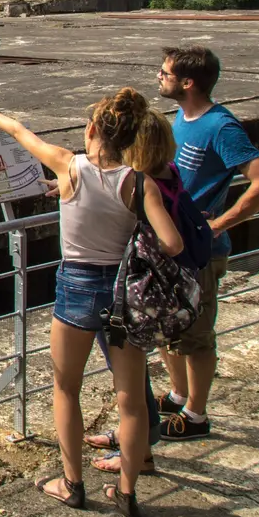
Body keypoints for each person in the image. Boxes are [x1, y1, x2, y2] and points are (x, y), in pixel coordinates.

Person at [0, 88, 182, 517]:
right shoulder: (139, 182)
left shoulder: (68, 165)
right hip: (123, 292)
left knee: (66, 388)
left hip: (78, 287)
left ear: (94, 129)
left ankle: (72, 482)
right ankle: (128, 492)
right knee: (132, 399)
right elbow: (171, 243)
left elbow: (20, 132)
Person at [153, 44, 259, 441]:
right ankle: (178, 394)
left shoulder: (221, 127)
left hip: (199, 253)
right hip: (169, 245)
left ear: (187, 83)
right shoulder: (182, 117)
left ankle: (196, 415)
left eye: (165, 73)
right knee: (166, 329)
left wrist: (219, 224)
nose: (159, 77)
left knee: (196, 335)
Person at [87, 108, 181, 475]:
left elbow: (165, 238)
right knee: (135, 373)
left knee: (128, 377)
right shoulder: (167, 175)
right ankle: (140, 437)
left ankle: (139, 452)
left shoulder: (143, 184)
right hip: (155, 289)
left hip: (129, 289)